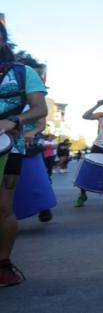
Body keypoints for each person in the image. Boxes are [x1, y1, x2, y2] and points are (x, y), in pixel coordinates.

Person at [0, 21, 49, 287]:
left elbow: (40, 109)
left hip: (10, 146)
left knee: (3, 208)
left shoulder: (22, 72)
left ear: (3, 41)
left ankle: (3, 264)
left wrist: (14, 122)